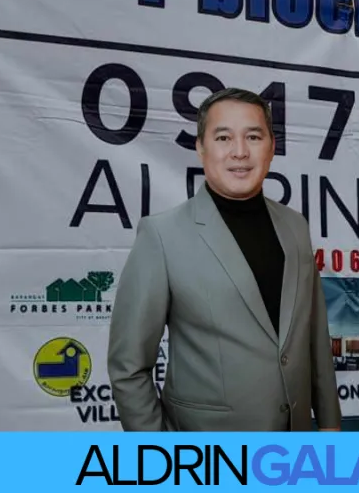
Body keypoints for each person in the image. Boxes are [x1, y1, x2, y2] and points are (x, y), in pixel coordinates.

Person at [108, 87, 341, 432]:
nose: (240, 152)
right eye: (223, 138)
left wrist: (330, 425)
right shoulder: (161, 235)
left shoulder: (295, 226)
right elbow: (128, 367)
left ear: (272, 147)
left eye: (253, 137)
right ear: (201, 147)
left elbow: (315, 337)